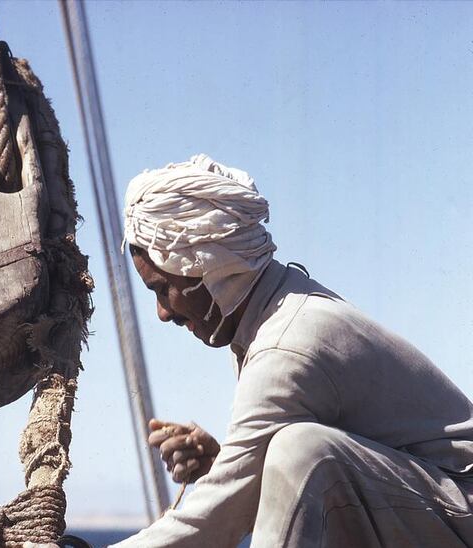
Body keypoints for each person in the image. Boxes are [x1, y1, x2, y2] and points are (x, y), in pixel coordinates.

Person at [26, 154, 473, 548]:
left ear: (207, 268)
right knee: (293, 451)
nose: (163, 313)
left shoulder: (287, 345)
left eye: (163, 289)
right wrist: (225, 464)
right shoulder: (272, 312)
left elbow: (217, 519)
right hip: (436, 508)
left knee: (302, 450)